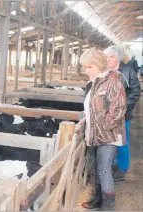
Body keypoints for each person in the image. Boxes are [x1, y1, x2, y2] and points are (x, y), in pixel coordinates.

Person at [80, 48, 127, 211]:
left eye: (89, 67)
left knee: (104, 168)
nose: (86, 71)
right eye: (85, 67)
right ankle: (98, 199)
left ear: (99, 64)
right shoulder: (93, 83)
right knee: (96, 168)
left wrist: (105, 127)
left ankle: (108, 207)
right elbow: (92, 108)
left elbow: (119, 107)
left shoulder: (113, 80)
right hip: (93, 134)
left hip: (108, 135)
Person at [103, 45, 141, 181]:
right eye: (107, 57)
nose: (108, 60)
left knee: (122, 142)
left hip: (123, 115)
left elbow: (135, 91)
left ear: (118, 57)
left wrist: (125, 107)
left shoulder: (127, 71)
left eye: (111, 57)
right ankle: (112, 164)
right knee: (109, 141)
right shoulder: (104, 72)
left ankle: (122, 168)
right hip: (106, 115)